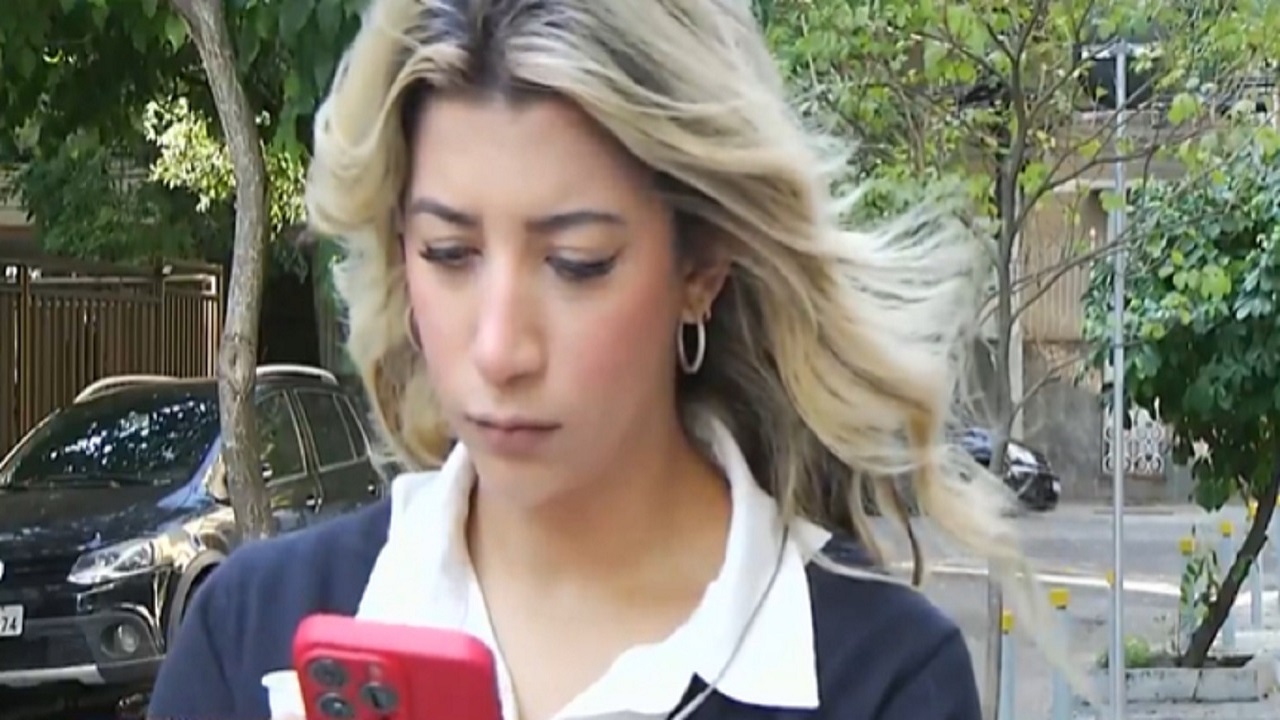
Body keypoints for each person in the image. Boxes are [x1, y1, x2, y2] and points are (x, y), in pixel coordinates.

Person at [149, 0, 1031, 718]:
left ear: (702, 265)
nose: (500, 348)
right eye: (449, 254)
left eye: (577, 263)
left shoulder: (882, 677)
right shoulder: (252, 633)